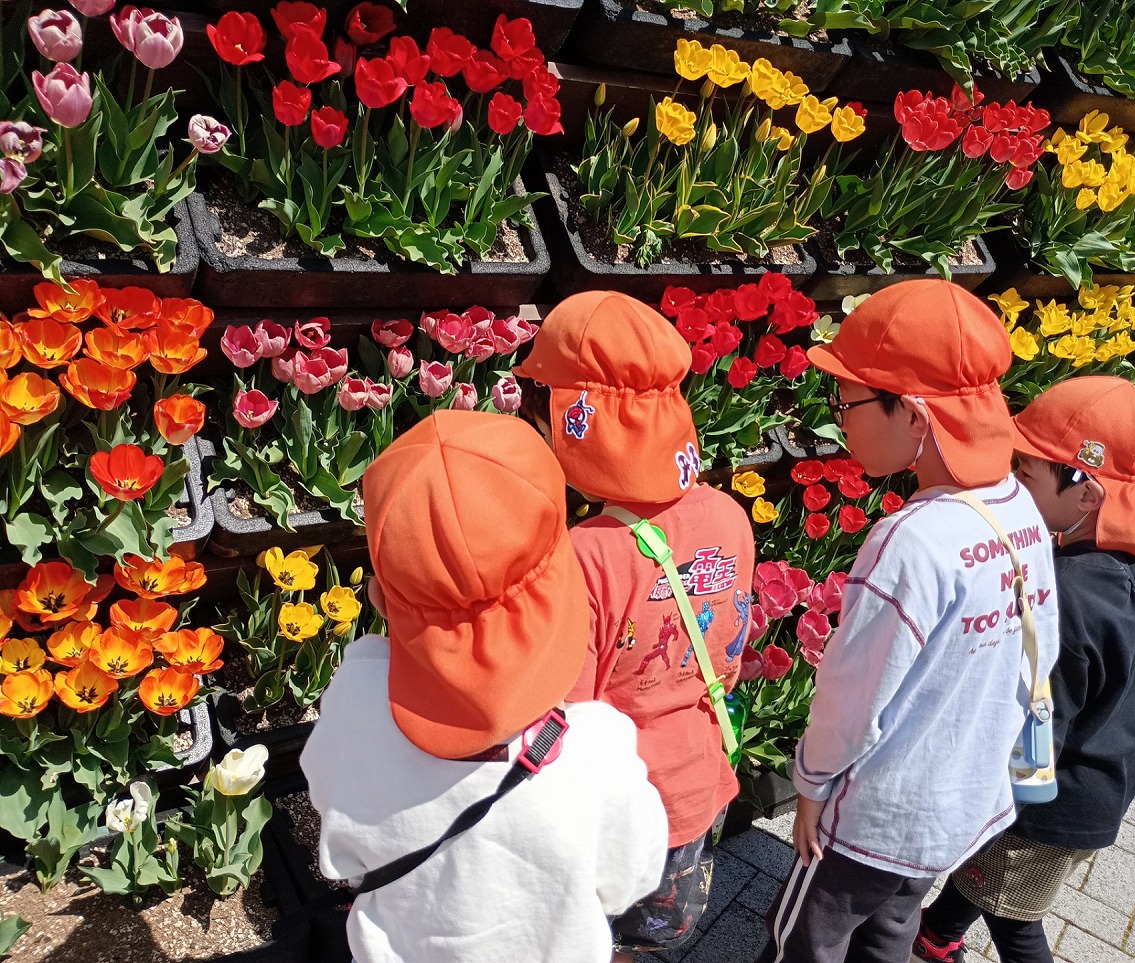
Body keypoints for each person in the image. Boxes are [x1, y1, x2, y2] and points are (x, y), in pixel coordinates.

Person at [759, 280, 1060, 963]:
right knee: (891, 926)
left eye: (848, 401)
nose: (840, 420)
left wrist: (811, 785)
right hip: (957, 805)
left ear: (917, 416)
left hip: (875, 815)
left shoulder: (912, 540)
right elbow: (1038, 651)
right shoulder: (1019, 508)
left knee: (803, 941)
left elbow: (853, 698)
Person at [301, 411, 668, 963]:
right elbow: (629, 880)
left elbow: (342, 846)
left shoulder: (355, 698)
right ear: (564, 585)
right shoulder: (599, 747)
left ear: (378, 595)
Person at [514, 290, 755, 959]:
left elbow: (571, 718)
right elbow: (732, 647)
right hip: (699, 778)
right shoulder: (727, 513)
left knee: (588, 934)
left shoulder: (587, 552)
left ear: (576, 420)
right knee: (645, 939)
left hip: (617, 804)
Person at [914, 376, 1135, 963]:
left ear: (1087, 494)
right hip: (1106, 771)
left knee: (1012, 914)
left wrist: (995, 796)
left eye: (1026, 474)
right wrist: (1114, 694)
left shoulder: (1060, 594)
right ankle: (935, 933)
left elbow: (1040, 717)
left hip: (1048, 798)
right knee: (992, 876)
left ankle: (940, 938)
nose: (1011, 483)